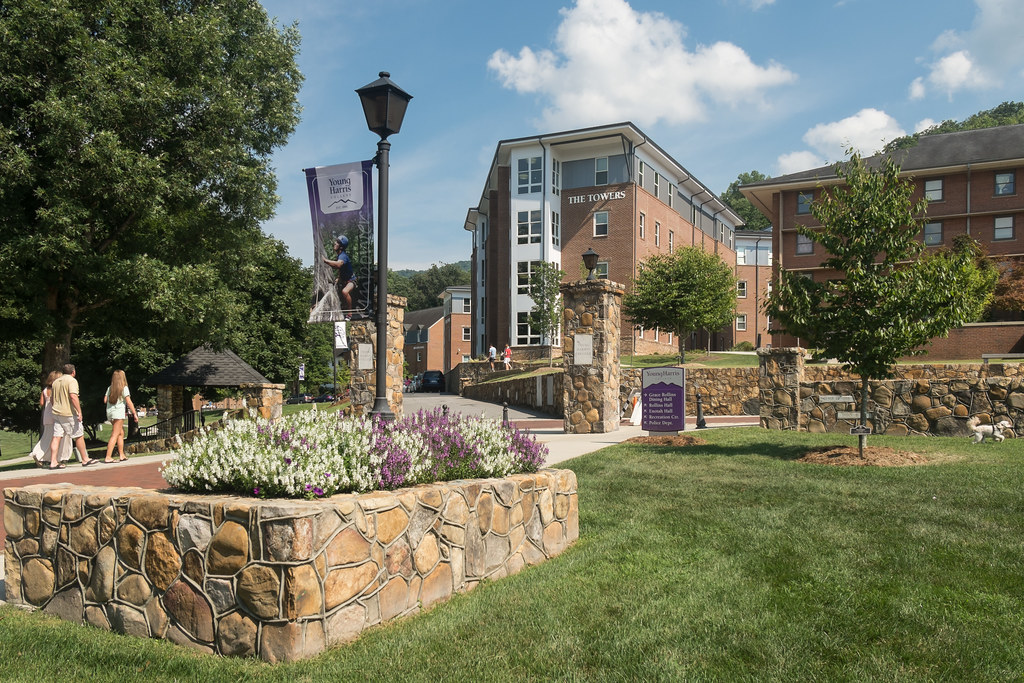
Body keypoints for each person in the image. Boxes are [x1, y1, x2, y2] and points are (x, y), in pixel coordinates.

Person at [49, 363, 97, 468]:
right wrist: (79, 411)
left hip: (56, 413)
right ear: (73, 372)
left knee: (56, 436)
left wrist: (56, 406)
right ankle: (85, 459)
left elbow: (51, 399)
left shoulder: (56, 382)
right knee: (78, 435)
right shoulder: (72, 381)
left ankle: (53, 461)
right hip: (68, 413)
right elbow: (73, 396)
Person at [30, 370, 72, 467]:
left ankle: (38, 453)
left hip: (47, 415)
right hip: (56, 415)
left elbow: (41, 403)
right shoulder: (56, 390)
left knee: (46, 437)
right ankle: (59, 458)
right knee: (58, 438)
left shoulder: (45, 390)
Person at [103, 369, 139, 463]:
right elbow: (129, 401)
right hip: (118, 413)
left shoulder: (110, 388)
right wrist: (134, 413)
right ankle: (108, 456)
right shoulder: (124, 388)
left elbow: (105, 400)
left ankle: (121, 454)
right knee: (115, 434)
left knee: (121, 433)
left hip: (110, 412)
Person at [322, 235, 357, 316]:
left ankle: (350, 313)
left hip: (351, 281)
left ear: (341, 247)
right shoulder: (339, 255)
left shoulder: (343, 256)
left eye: (337, 242)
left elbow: (338, 265)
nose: (335, 243)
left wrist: (325, 260)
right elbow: (340, 269)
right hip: (344, 280)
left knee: (345, 292)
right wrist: (338, 277)